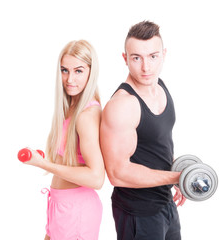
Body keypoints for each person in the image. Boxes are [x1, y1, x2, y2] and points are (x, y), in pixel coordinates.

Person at [100, 21, 186, 240]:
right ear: (125, 59)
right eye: (136, 58)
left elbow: (160, 144)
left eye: (153, 56)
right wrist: (176, 177)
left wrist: (176, 180)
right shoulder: (122, 105)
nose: (146, 67)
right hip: (137, 212)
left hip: (165, 203)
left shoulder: (161, 88)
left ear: (164, 54)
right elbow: (117, 173)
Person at [22, 40, 105, 240]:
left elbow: (97, 178)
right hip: (60, 205)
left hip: (77, 211)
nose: (69, 79)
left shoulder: (86, 115)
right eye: (64, 70)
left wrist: (43, 164)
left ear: (91, 72)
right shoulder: (71, 108)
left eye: (78, 71)